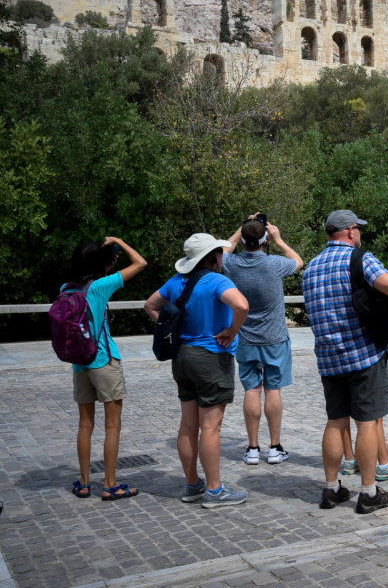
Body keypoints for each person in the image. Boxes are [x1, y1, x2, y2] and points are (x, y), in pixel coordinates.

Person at [302, 210, 388, 513]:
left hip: (328, 358)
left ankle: (331, 489)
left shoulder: (310, 268)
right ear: (350, 231)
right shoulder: (358, 258)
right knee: (367, 422)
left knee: (335, 422)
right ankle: (368, 493)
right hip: (363, 354)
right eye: (358, 230)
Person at [144, 233, 250, 508]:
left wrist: (172, 329)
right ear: (213, 257)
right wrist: (231, 331)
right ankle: (214, 491)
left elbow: (150, 305)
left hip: (182, 358)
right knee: (210, 428)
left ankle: (192, 484)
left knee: (188, 426)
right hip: (211, 358)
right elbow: (242, 305)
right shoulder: (216, 281)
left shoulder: (176, 282)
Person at [66, 238, 147, 501]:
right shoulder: (100, 287)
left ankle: (84, 482)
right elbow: (140, 263)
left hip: (80, 363)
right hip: (103, 359)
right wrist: (120, 242)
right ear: (100, 261)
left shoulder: (66, 289)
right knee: (112, 425)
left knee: (84, 424)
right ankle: (110, 483)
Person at [223, 214, 304, 466]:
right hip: (275, 338)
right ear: (265, 240)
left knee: (251, 390)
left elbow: (224, 248)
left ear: (245, 240)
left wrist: (240, 229)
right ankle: (275, 447)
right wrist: (279, 240)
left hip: (245, 339)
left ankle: (252, 448)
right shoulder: (274, 264)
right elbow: (298, 261)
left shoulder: (232, 264)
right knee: (272, 390)